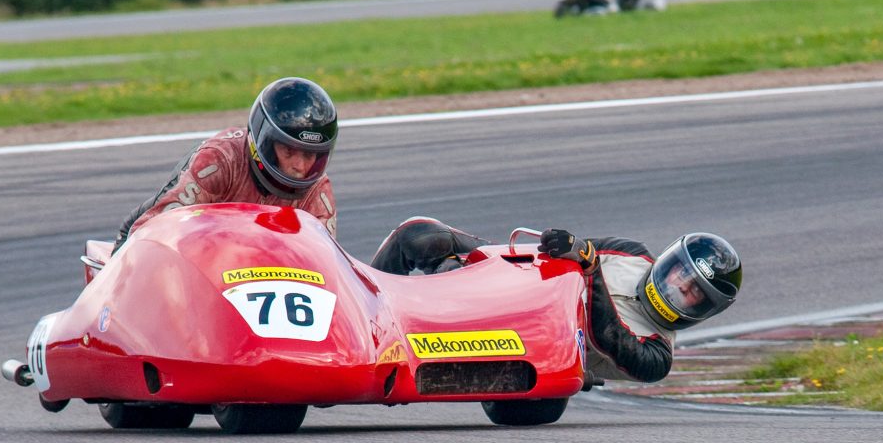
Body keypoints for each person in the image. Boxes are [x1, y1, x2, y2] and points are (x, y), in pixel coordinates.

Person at [370, 218, 742, 383]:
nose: (679, 290)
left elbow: (607, 336)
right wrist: (566, 246)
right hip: (520, 286)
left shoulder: (657, 357)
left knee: (528, 410)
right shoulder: (633, 253)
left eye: (693, 293)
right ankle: (366, 317)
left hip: (529, 344)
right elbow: (562, 253)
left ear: (703, 312)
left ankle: (423, 313)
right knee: (420, 236)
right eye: (682, 275)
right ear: (669, 261)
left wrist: (590, 266)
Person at [112, 77, 339, 253]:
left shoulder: (318, 192)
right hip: (201, 257)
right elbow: (153, 232)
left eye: (309, 155)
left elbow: (326, 263)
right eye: (289, 151)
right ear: (266, 142)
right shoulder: (219, 162)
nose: (299, 167)